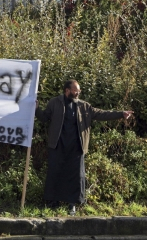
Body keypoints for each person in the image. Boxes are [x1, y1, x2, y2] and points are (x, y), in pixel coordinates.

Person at [35, 80, 133, 215]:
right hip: (58, 144)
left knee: (76, 176)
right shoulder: (54, 102)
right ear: (67, 91)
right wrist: (36, 109)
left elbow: (102, 114)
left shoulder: (84, 106)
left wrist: (121, 114)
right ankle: (53, 201)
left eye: (79, 91)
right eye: (76, 90)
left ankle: (72, 204)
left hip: (76, 147)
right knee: (55, 172)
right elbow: (44, 118)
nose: (78, 93)